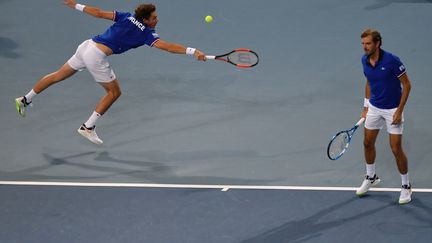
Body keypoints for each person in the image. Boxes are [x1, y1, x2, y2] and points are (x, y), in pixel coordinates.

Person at [15, 1, 206, 145]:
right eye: (154, 17)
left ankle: (25, 98)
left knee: (58, 75)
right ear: (146, 20)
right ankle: (88, 127)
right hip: (96, 56)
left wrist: (75, 4)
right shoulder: (146, 33)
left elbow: (98, 13)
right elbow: (167, 47)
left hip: (86, 46)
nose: (157, 19)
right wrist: (193, 51)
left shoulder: (125, 16)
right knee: (114, 93)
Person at [356, 28, 412, 204]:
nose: (365, 47)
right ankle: (371, 177)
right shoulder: (364, 60)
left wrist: (399, 110)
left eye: (368, 43)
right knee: (367, 143)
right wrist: (366, 107)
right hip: (374, 107)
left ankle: (406, 186)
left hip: (392, 109)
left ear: (378, 43)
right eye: (363, 44)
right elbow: (369, 82)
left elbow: (407, 85)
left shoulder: (392, 61)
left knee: (396, 149)